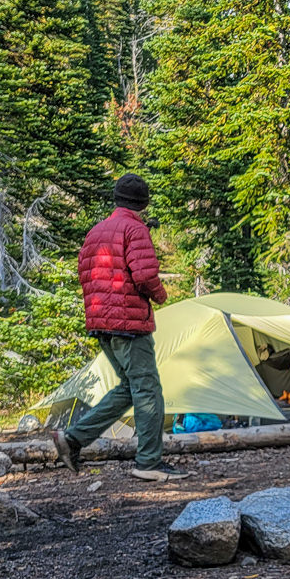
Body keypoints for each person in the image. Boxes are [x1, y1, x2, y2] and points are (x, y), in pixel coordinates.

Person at [50, 174, 188, 482]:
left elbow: (85, 275)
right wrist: (161, 296)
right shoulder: (135, 229)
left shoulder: (96, 231)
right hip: (128, 325)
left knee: (129, 388)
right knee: (148, 389)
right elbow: (145, 275)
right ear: (143, 202)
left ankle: (72, 438)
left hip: (101, 323)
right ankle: (149, 462)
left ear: (117, 199)